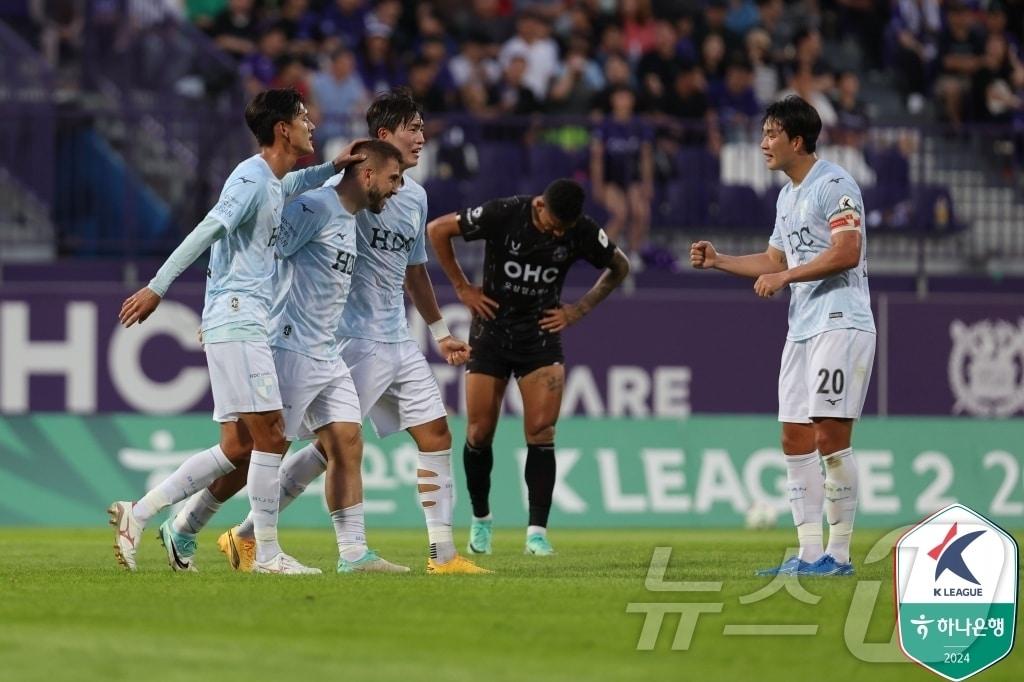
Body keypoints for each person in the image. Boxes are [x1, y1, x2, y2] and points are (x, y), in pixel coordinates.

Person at [211, 88, 490, 575]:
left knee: (437, 433)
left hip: (398, 339)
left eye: (424, 128)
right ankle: (246, 533)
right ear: (383, 137)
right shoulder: (348, 193)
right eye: (414, 128)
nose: (423, 137)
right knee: (325, 448)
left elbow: (415, 268)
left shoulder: (415, 196)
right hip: (347, 339)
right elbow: (281, 239)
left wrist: (441, 330)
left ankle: (442, 556)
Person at [109, 88, 363, 575]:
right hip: (239, 316)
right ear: (282, 129)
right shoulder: (249, 179)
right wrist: (157, 287)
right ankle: (265, 553)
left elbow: (296, 183)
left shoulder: (272, 179)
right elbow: (207, 229)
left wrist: (333, 166)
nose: (311, 123)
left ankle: (137, 513)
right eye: (303, 117)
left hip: (237, 319)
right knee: (271, 436)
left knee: (239, 447)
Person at [689, 96, 875, 577]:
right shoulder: (787, 195)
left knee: (830, 437)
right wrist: (720, 260)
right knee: (795, 437)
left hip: (840, 321)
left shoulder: (834, 184)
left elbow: (847, 251)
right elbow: (775, 260)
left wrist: (787, 279)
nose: (763, 143)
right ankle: (809, 554)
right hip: (803, 328)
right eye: (764, 133)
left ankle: (840, 555)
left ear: (797, 140)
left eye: (772, 134)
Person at [207, 139, 408, 575]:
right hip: (289, 344)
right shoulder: (313, 207)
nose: (398, 188)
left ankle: (354, 553)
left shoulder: (350, 219)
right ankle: (195, 527)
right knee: (256, 450)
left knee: (347, 440)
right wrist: (229, 312)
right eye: (393, 178)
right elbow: (265, 255)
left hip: (325, 351)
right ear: (367, 175)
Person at [427, 179, 631, 556]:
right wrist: (461, 287)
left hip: (540, 338)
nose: (556, 234)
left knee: (541, 431)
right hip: (491, 333)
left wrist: (579, 309)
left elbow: (620, 266)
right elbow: (438, 229)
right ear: (539, 205)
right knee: (479, 431)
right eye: (551, 225)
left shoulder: (582, 230)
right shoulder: (505, 212)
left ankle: (536, 533)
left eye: (562, 231)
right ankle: (481, 521)